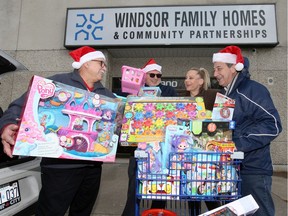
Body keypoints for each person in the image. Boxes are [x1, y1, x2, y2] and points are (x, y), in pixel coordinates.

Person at [0, 46, 117, 216]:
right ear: (86, 64)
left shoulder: (107, 95)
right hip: (59, 167)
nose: (104, 68)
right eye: (101, 63)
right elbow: (20, 106)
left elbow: (112, 127)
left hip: (93, 167)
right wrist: (7, 124)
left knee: (83, 211)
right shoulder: (57, 83)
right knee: (51, 211)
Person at [212, 45, 282, 216]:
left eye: (219, 68)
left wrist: (237, 145)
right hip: (232, 169)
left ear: (234, 68)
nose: (215, 73)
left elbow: (272, 124)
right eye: (214, 69)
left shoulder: (251, 90)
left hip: (253, 169)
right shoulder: (225, 95)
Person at [121, 58, 177, 216]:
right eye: (152, 75)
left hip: (161, 147)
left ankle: (158, 213)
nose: (155, 78)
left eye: (159, 76)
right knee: (135, 187)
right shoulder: (132, 91)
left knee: (160, 188)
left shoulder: (168, 92)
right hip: (139, 147)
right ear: (144, 75)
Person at [184, 67, 221, 215]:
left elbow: (225, 114)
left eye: (191, 78)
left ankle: (218, 212)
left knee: (209, 190)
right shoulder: (184, 99)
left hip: (208, 151)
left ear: (200, 81)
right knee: (192, 189)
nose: (187, 80)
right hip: (188, 150)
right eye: (186, 77)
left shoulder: (212, 95)